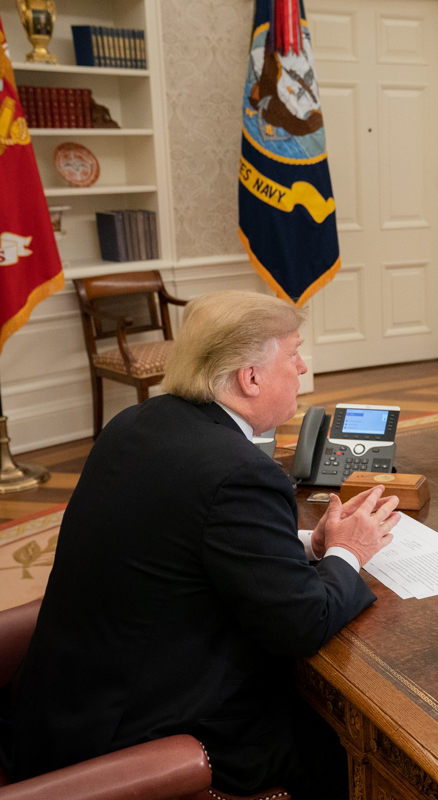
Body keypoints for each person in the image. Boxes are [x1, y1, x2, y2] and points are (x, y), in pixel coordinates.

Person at [0, 291, 401, 799]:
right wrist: (352, 552)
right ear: (250, 378)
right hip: (133, 740)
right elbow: (303, 623)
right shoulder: (238, 473)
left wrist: (306, 543)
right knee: (338, 740)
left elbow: (182, 537)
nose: (302, 367)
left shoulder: (135, 423)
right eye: (294, 352)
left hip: (53, 713)